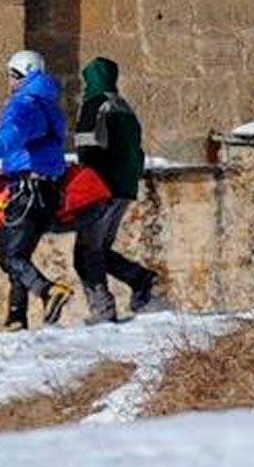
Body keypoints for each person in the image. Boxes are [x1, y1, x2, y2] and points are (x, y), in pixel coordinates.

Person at [0, 50, 74, 332]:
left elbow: (13, 133)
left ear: (21, 75)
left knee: (9, 257)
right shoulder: (48, 104)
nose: (9, 82)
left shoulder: (24, 104)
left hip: (27, 189)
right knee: (20, 256)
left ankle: (49, 291)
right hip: (49, 190)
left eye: (12, 76)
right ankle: (16, 317)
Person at [72, 57, 160, 324]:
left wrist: (85, 177)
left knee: (86, 252)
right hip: (125, 187)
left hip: (101, 188)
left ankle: (103, 310)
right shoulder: (125, 108)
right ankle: (141, 280)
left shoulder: (95, 104)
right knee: (99, 249)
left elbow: (86, 147)